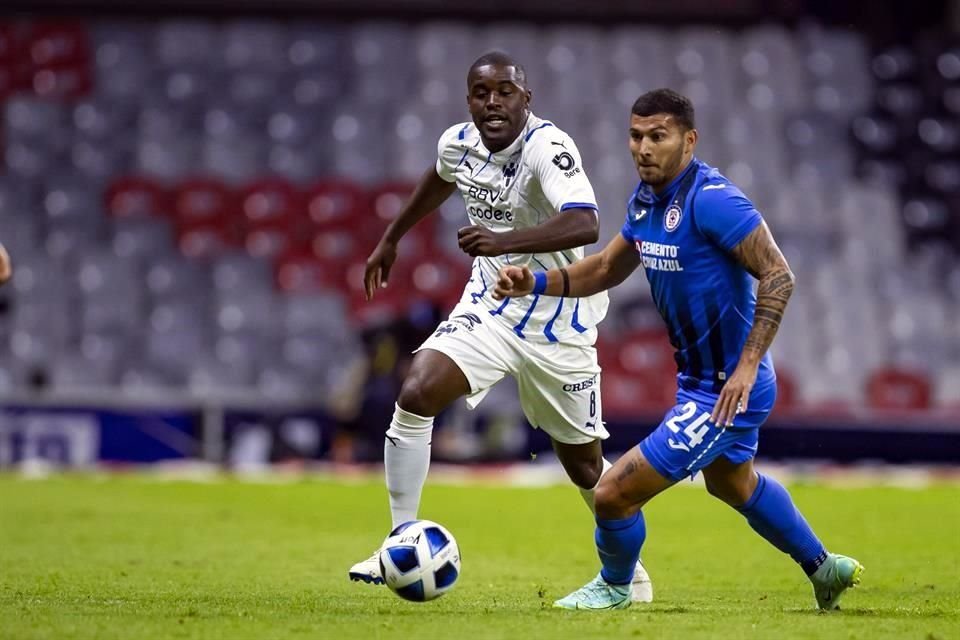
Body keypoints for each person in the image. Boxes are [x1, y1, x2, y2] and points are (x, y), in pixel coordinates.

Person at [493, 89, 863, 611]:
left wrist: (747, 367)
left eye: (657, 136)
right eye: (636, 136)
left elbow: (779, 274)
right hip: (703, 382)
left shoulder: (712, 199)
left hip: (727, 389)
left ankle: (618, 586)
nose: (643, 148)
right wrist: (531, 281)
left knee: (612, 495)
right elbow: (602, 270)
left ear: (688, 141)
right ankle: (826, 568)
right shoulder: (646, 201)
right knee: (733, 484)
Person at [349, 51, 653, 602]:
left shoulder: (549, 149)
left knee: (584, 465)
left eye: (505, 91)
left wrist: (504, 241)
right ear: (469, 100)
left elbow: (586, 221)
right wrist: (391, 236)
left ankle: (628, 575)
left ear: (525, 99)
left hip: (560, 321)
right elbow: (440, 178)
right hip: (490, 305)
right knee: (416, 391)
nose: (493, 101)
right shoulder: (458, 142)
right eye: (481, 92)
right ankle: (398, 537)